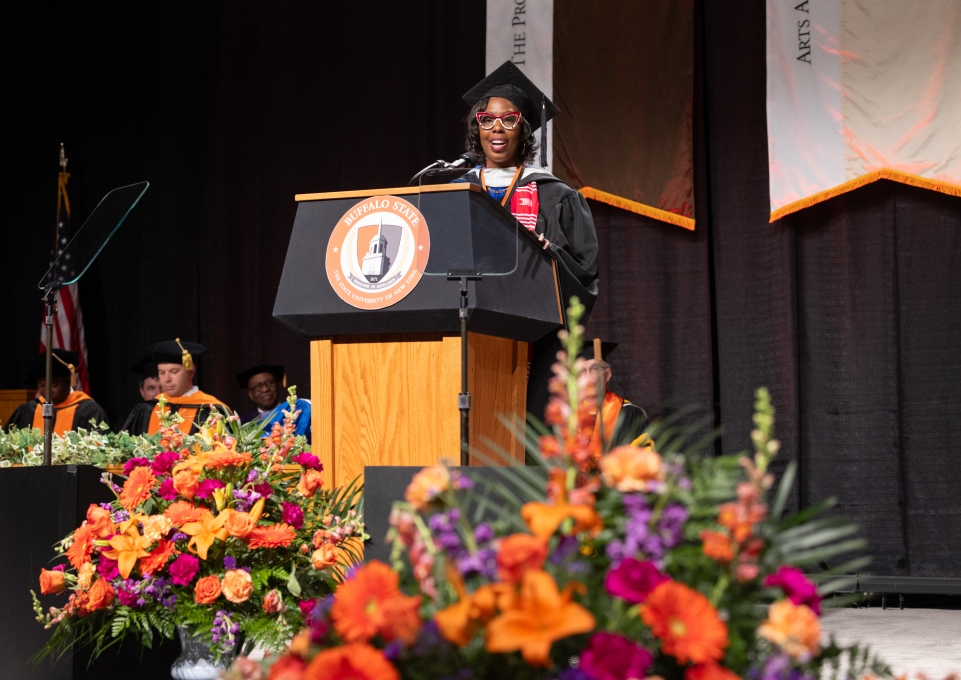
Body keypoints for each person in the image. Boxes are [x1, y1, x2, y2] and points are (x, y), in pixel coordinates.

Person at [458, 61, 600, 421]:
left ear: (524, 129)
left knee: (530, 432)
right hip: (465, 335)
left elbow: (585, 275)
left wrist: (548, 254)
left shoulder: (555, 196)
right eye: (487, 120)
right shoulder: (456, 191)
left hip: (534, 338)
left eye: (509, 119)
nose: (497, 129)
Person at [121, 339, 230, 436]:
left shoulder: (212, 410)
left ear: (191, 372)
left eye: (174, 371)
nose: (166, 379)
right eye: (162, 372)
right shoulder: (146, 409)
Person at [4, 349, 108, 435]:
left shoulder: (89, 411)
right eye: (42, 385)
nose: (47, 391)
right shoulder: (27, 410)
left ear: (68, 381)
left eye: (54, 385)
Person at [579, 339, 648, 457]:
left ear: (608, 374)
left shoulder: (629, 414)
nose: (589, 377)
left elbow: (643, 460)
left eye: (596, 369)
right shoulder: (566, 417)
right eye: (581, 371)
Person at [236, 364, 312, 442]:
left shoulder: (297, 410)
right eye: (257, 387)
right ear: (250, 394)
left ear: (278, 386)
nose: (265, 389)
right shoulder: (245, 423)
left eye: (269, 383)